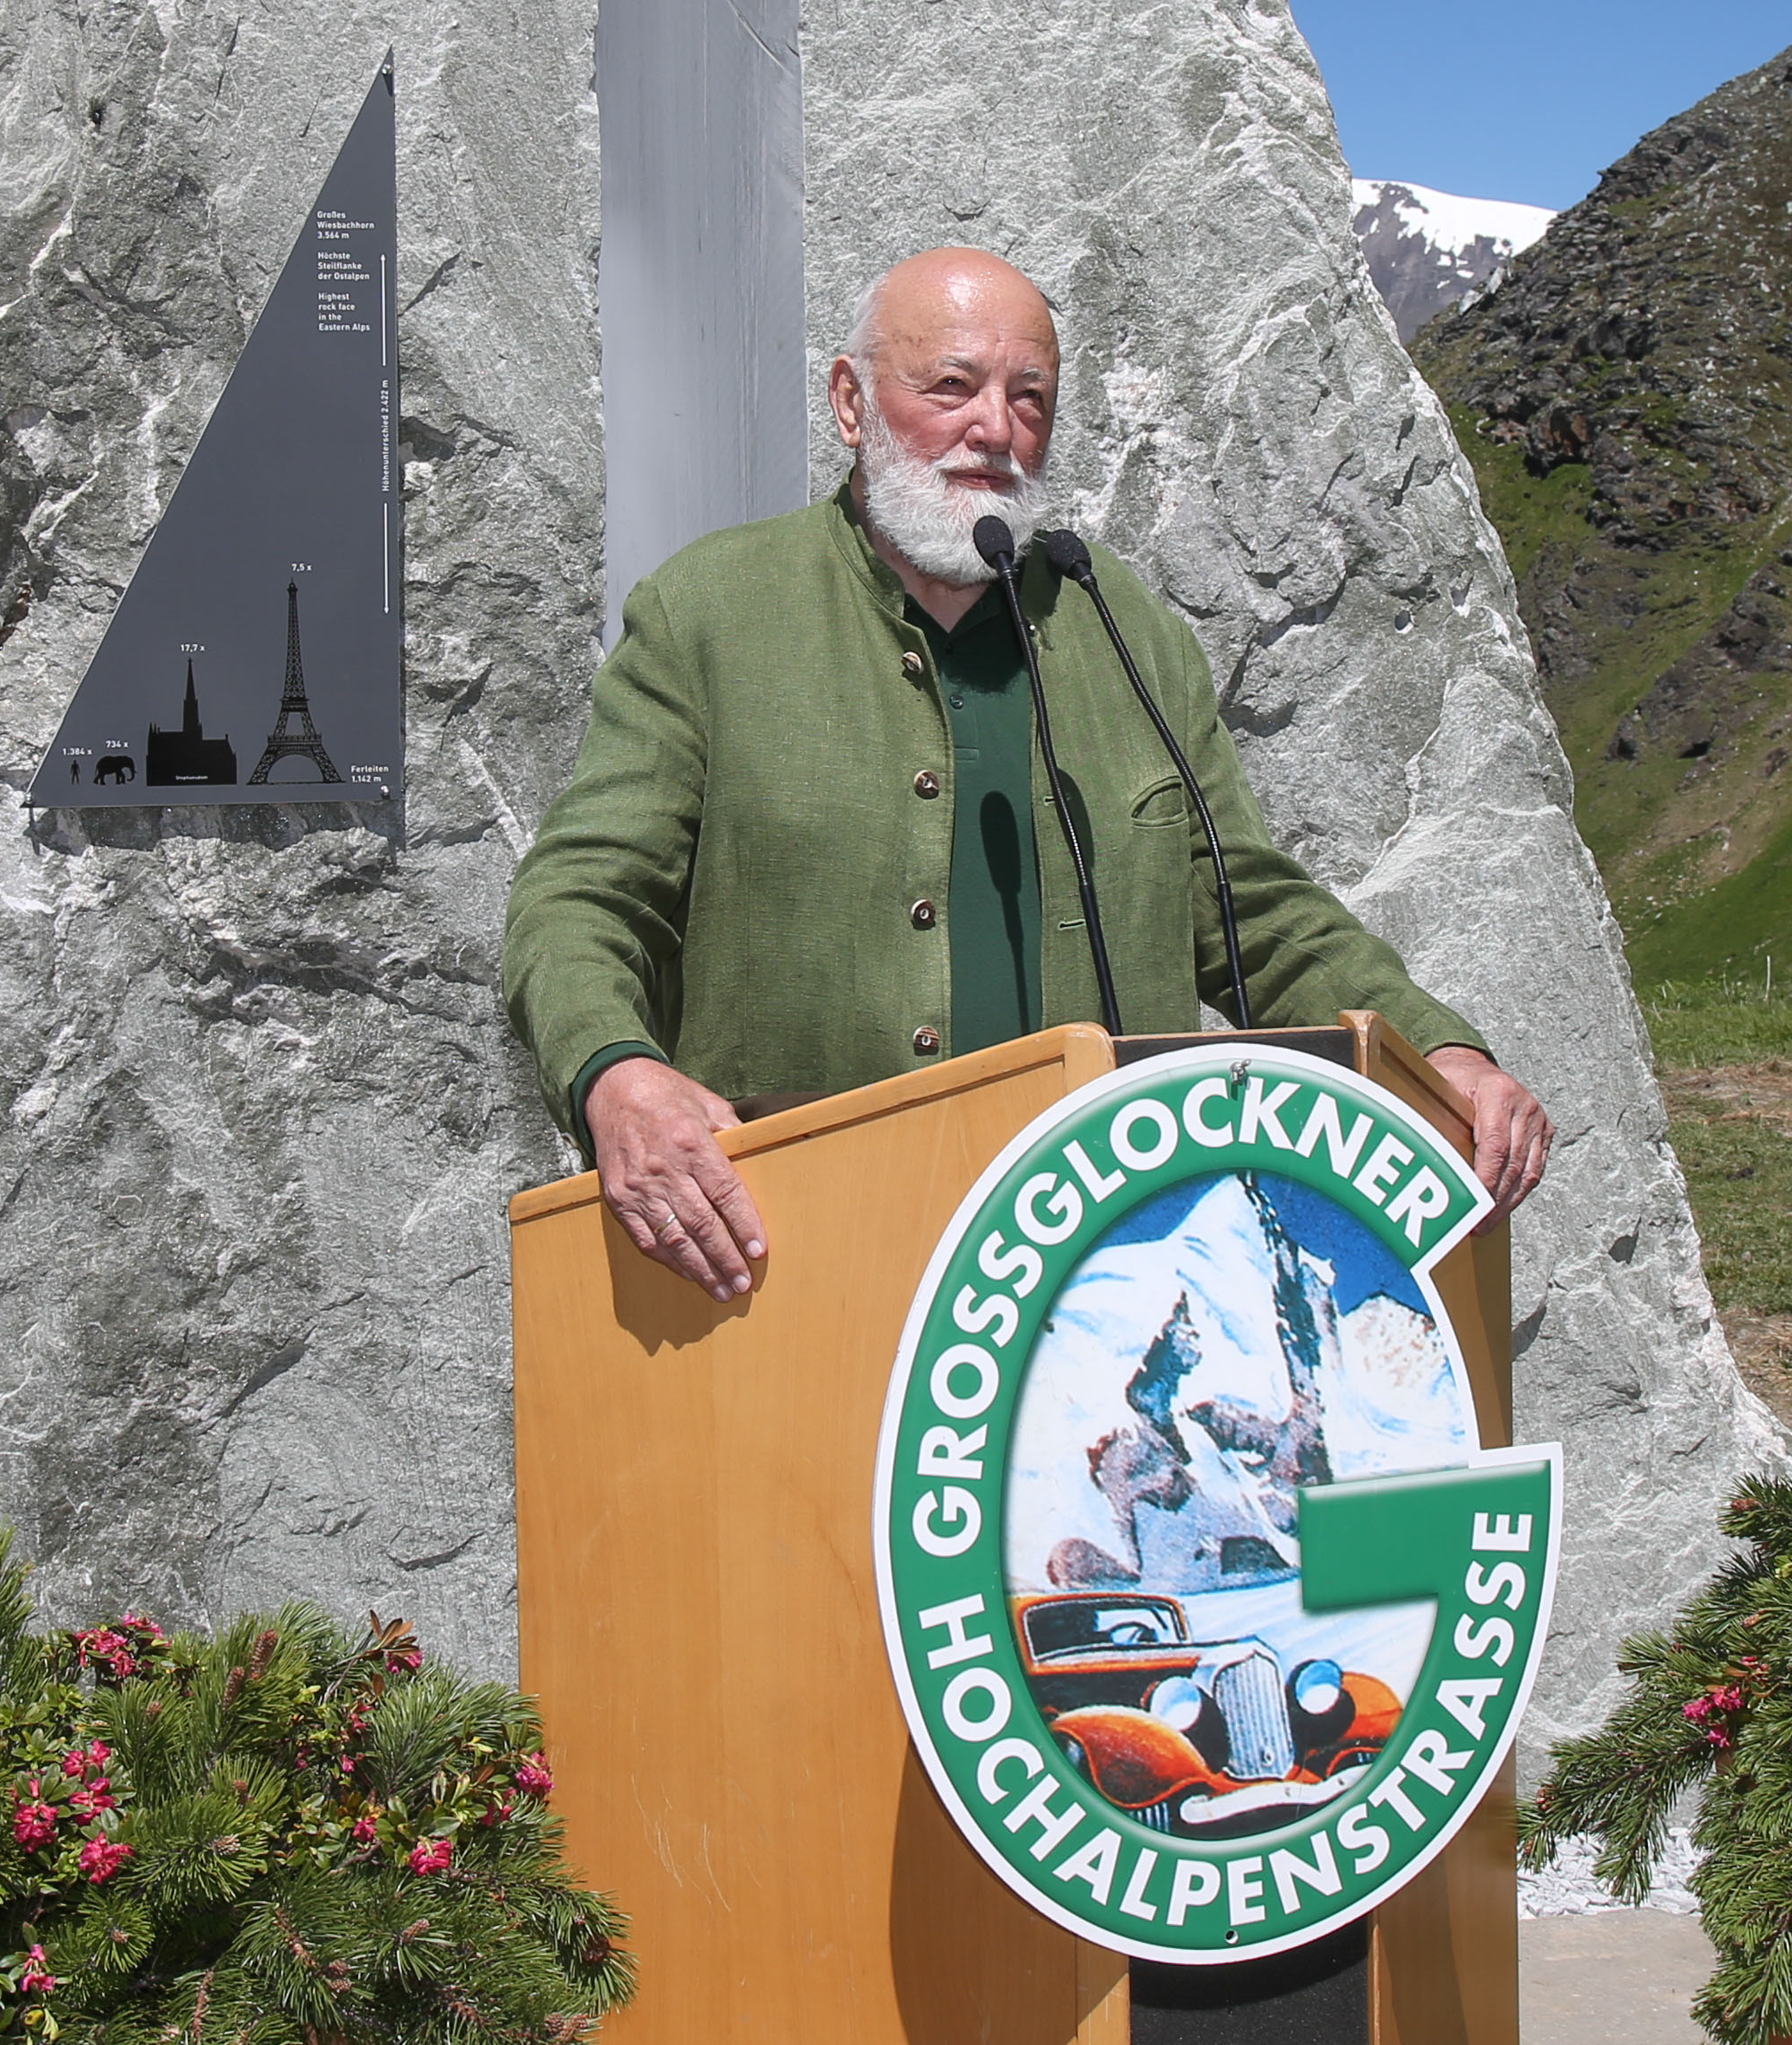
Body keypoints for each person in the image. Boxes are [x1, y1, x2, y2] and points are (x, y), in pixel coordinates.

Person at [503, 245, 1554, 1297]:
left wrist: (1437, 1053)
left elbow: (1253, 912)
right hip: (792, 1267)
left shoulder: (1129, 633)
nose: (995, 429)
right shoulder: (711, 616)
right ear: (852, 402)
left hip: (1099, 1284)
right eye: (950, 386)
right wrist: (617, 1075)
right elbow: (579, 899)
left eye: (1029, 396)